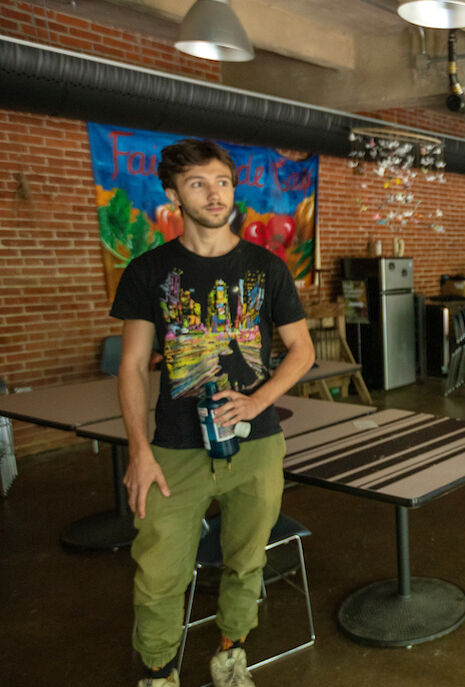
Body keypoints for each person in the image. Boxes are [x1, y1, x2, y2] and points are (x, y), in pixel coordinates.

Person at [111, 139, 315, 687]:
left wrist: (257, 400)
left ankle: (230, 652)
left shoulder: (265, 267)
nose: (214, 193)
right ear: (174, 193)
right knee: (158, 572)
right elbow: (131, 368)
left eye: (222, 181)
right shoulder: (148, 270)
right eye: (198, 183)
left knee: (247, 561)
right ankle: (158, 671)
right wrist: (139, 452)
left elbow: (302, 350)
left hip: (256, 445)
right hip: (173, 450)